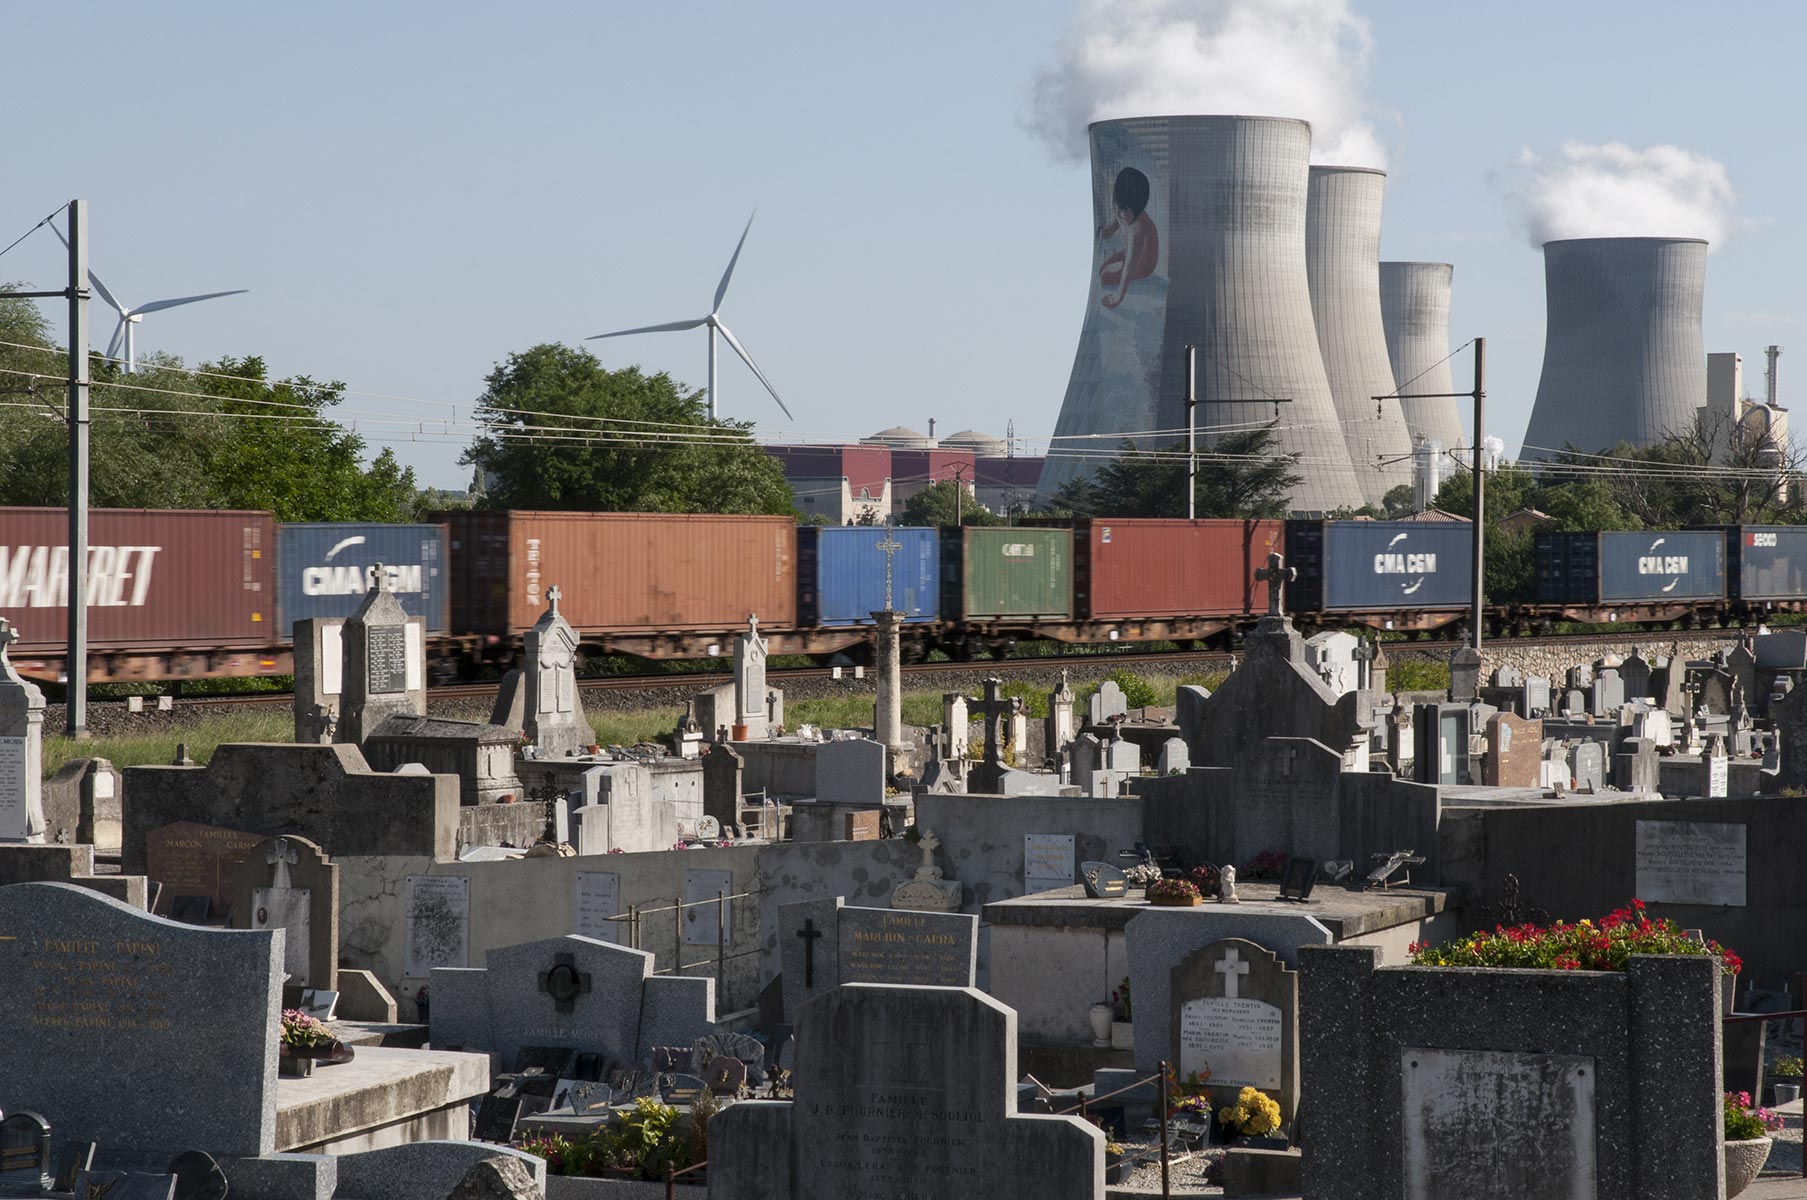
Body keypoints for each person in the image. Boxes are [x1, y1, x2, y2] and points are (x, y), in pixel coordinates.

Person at [1097, 166, 1159, 308]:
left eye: (1123, 210)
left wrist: (1117, 298)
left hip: (1143, 266)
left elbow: (1129, 268)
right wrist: (1108, 231)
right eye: (1117, 207)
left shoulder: (1138, 228)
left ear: (1136, 209)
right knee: (1103, 264)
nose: (1119, 213)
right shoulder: (1124, 212)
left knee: (1105, 278)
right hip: (1131, 252)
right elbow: (1119, 219)